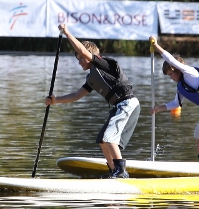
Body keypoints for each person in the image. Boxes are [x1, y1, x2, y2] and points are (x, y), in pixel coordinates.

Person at [45, 24, 141, 178]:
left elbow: (83, 51)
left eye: (81, 58)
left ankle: (121, 172)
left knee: (109, 137)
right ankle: (113, 171)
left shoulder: (105, 65)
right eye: (78, 59)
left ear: (90, 55)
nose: (80, 62)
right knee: (102, 139)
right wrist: (55, 101)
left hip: (127, 104)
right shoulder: (92, 77)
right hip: (119, 106)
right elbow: (76, 95)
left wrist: (67, 33)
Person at [149, 37, 199, 162]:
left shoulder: (189, 72)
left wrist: (156, 47)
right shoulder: (181, 85)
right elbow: (176, 104)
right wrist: (158, 108)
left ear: (176, 68)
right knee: (198, 133)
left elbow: (171, 60)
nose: (170, 77)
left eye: (171, 74)